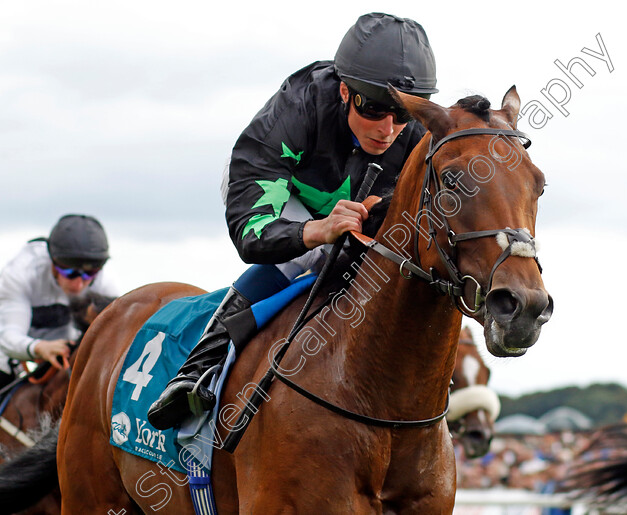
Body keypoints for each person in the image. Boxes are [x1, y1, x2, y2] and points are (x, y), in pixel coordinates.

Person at [147, 12, 438, 430]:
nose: (388, 129)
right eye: (373, 108)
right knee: (308, 257)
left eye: (402, 114)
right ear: (344, 90)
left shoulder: (415, 133)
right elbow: (251, 230)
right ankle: (198, 368)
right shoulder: (298, 108)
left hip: (349, 200)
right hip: (273, 190)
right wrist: (315, 231)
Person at [0, 214, 118, 481]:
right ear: (53, 261)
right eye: (69, 273)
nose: (79, 283)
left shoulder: (101, 282)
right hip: (8, 325)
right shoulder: (21, 273)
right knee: (4, 371)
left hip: (59, 324)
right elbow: (10, 338)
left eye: (90, 274)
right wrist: (38, 348)